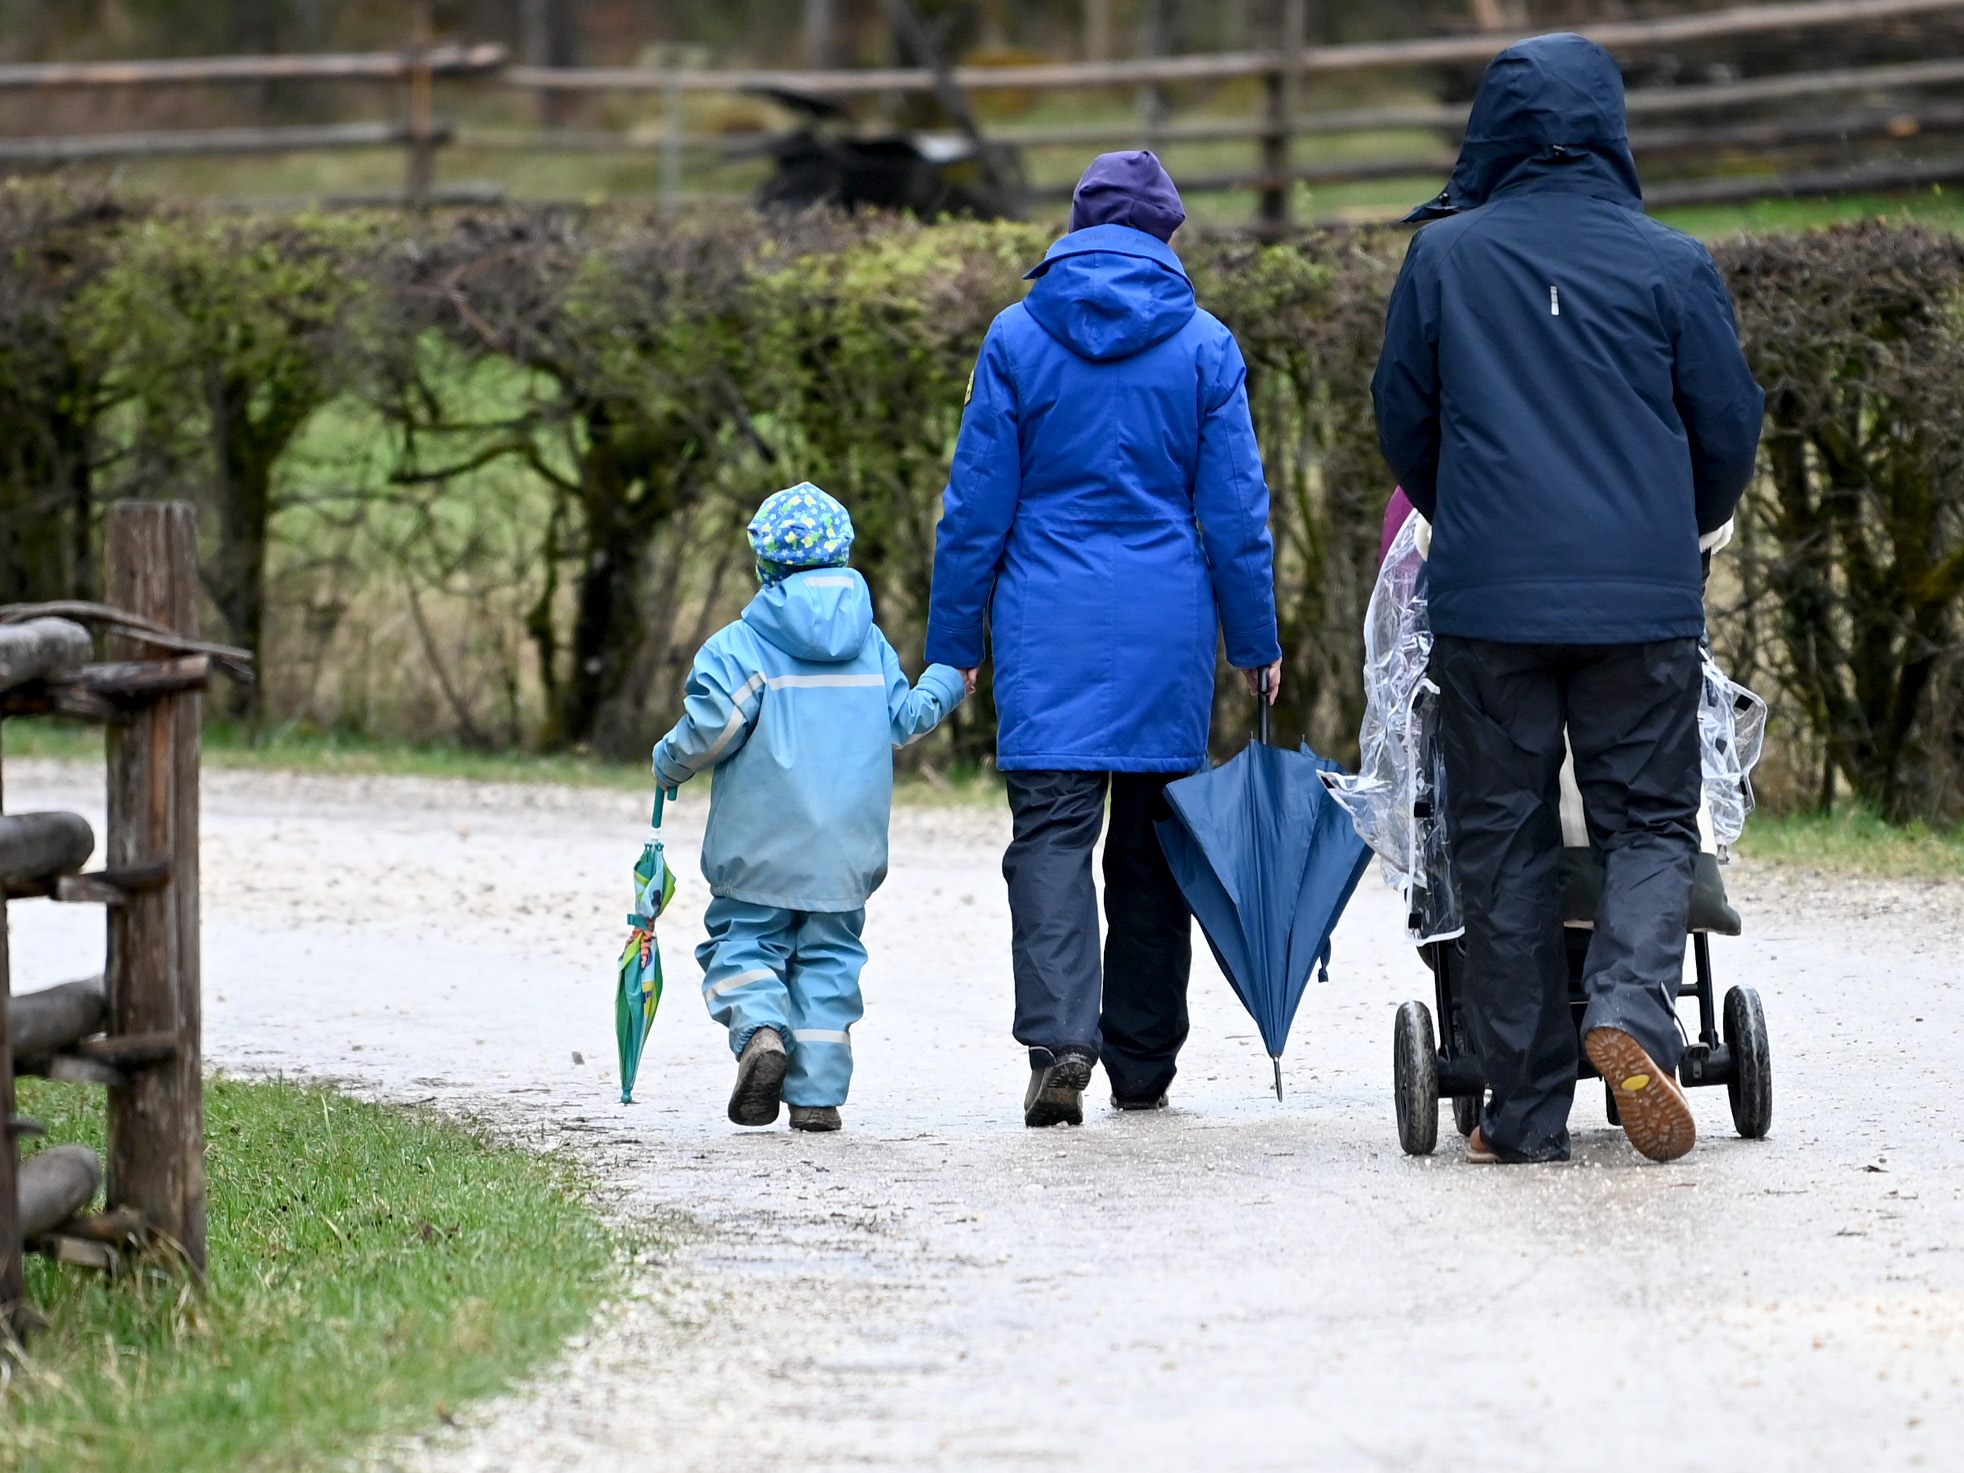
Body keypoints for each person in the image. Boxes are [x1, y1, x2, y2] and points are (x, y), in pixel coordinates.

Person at [1373, 33, 1764, 1165]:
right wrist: (1676, 528)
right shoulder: (1670, 263)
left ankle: (1522, 1113)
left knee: (1497, 841)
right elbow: (1725, 427)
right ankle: (1628, 1010)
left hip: (1488, 597)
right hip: (1638, 598)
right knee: (1646, 819)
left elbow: (1403, 418)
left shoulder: (1443, 261)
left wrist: (1470, 516)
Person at [927, 151, 1282, 1128]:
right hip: (1166, 626)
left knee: (1048, 836)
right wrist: (1255, 640)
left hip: (1045, 622)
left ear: (1077, 227)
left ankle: (1057, 1042)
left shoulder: (1013, 336)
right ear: (1167, 236)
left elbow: (973, 511)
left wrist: (955, 643)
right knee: (1150, 847)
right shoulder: (1205, 345)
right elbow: (1236, 513)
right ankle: (1139, 1061)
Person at [653, 483, 966, 1133]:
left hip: (758, 849)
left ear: (764, 565)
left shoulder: (741, 645)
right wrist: (946, 677)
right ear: (844, 557)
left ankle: (762, 1029)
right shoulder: (870, 643)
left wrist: (669, 760)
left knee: (743, 941)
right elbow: (905, 719)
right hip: (845, 853)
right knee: (829, 960)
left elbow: (711, 729)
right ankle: (817, 1095)